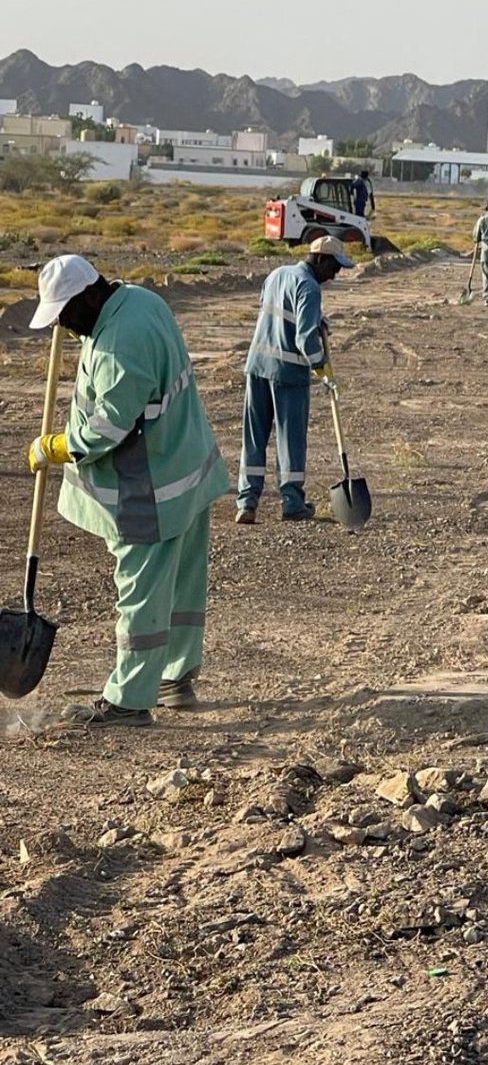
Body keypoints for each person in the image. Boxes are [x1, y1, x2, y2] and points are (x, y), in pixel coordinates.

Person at [26, 255, 230, 727]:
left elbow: (107, 427)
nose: (63, 325)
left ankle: (129, 700)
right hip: (185, 467)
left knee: (140, 590)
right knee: (180, 584)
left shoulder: (122, 343)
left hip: (150, 488)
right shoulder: (139, 301)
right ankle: (175, 680)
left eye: (64, 312)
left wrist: (55, 446)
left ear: (89, 295)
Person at [236, 236, 354, 524]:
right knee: (291, 440)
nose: (335, 274)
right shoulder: (310, 287)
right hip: (288, 373)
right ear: (320, 259)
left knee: (254, 437)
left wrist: (316, 318)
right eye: (334, 267)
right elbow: (304, 339)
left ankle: (247, 503)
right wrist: (321, 366)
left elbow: (277, 310)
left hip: (257, 367)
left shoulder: (277, 274)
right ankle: (292, 502)